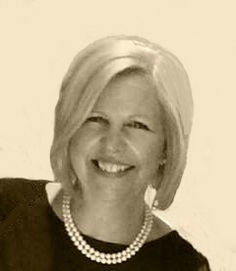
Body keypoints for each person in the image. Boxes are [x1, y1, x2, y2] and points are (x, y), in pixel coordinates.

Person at [0, 35, 211, 270]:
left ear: (166, 148)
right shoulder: (7, 211)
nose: (112, 144)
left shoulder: (182, 266)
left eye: (137, 125)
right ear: (69, 129)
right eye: (96, 119)